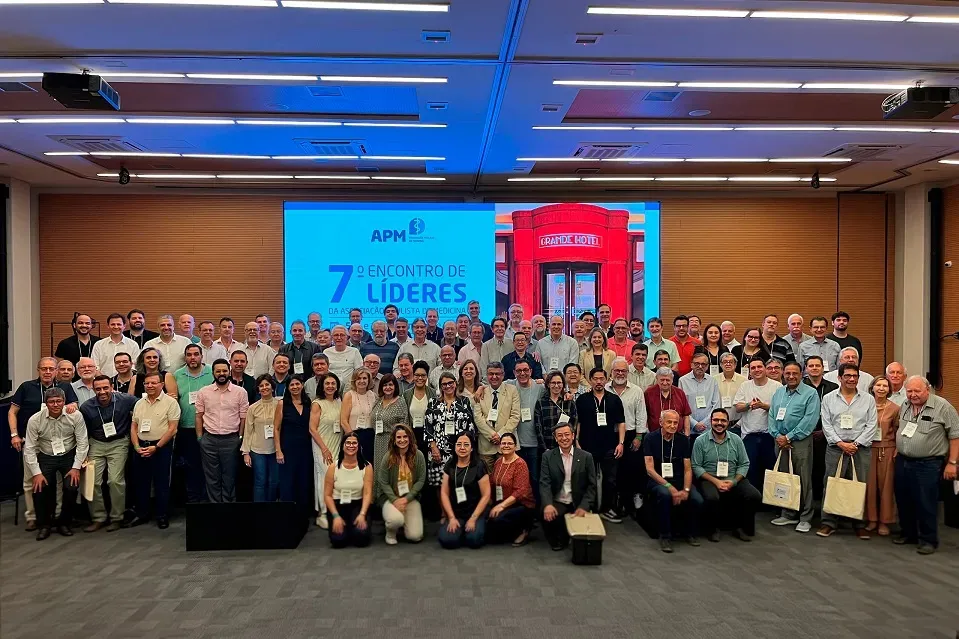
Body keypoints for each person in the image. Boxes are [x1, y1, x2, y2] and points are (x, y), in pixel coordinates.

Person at [9, 358, 80, 531]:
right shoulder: (27, 387)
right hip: (32, 439)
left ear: (56, 370)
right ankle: (32, 516)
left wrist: (72, 407)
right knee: (30, 479)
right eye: (44, 369)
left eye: (51, 369)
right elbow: (12, 412)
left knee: (57, 482)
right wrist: (14, 435)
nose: (47, 372)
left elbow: (74, 406)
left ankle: (56, 515)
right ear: (38, 370)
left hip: (57, 440)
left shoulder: (64, 387)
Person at [894, 375, 959, 555]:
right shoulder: (905, 406)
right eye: (909, 391)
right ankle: (909, 534)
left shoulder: (943, 407)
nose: (913, 395)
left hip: (928, 463)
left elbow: (955, 435)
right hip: (903, 460)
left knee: (926, 502)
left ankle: (928, 539)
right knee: (904, 500)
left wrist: (952, 463)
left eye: (917, 391)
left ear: (927, 390)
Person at [817, 363, 877, 539]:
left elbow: (872, 425)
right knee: (831, 485)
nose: (852, 379)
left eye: (855, 376)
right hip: (836, 448)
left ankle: (858, 523)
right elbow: (826, 424)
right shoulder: (828, 398)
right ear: (839, 378)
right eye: (848, 376)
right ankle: (828, 522)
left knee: (858, 485)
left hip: (860, 450)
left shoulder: (868, 399)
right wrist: (840, 443)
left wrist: (856, 444)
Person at [24, 388, 88, 539]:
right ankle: (44, 524)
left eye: (59, 401)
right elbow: (30, 448)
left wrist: (76, 467)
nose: (55, 404)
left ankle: (64, 523)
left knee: (71, 487)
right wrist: (36, 473)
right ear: (45, 403)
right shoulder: (35, 420)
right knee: (40, 487)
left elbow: (83, 443)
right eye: (51, 402)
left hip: (69, 455)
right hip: (46, 455)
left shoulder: (76, 416)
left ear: (64, 402)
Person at [767, 361, 821, 533]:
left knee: (803, 478)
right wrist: (777, 436)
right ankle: (788, 513)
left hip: (800, 442)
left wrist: (789, 436)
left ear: (801, 374)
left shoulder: (810, 394)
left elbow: (809, 420)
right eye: (788, 373)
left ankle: (805, 516)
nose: (791, 376)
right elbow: (772, 416)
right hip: (780, 442)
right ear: (783, 374)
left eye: (795, 373)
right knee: (785, 477)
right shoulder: (778, 393)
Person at [692, 408, 760, 542]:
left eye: (723, 420)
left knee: (754, 495)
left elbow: (744, 464)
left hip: (733, 478)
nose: (719, 423)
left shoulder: (736, 440)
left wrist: (734, 481)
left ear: (728, 423)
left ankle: (740, 527)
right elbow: (696, 466)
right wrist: (716, 482)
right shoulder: (700, 440)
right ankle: (713, 529)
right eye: (716, 420)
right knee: (712, 497)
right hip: (710, 478)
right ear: (711, 421)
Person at [79, 375, 137, 532]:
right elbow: (83, 431)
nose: (102, 391)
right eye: (98, 389)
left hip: (119, 442)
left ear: (112, 387)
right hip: (96, 443)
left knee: (115, 480)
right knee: (92, 481)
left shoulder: (125, 400)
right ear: (93, 389)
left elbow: (144, 405)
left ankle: (117, 518)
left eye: (105, 388)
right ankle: (98, 518)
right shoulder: (86, 407)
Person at [644, 410, 703, 552]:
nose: (672, 425)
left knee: (697, 499)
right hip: (657, 480)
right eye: (669, 422)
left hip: (678, 479)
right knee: (665, 495)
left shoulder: (683, 440)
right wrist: (669, 487)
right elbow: (649, 469)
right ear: (661, 423)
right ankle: (665, 536)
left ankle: (690, 533)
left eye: (675, 422)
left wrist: (686, 489)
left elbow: (688, 469)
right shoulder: (650, 438)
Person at [195, 359, 249, 504]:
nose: (221, 374)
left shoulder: (240, 392)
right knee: (211, 477)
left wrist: (240, 437)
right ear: (213, 373)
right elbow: (199, 416)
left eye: (224, 371)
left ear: (229, 371)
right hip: (209, 440)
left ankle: (228, 509)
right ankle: (215, 509)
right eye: (218, 371)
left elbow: (243, 417)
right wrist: (200, 438)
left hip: (231, 440)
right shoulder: (204, 392)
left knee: (229, 477)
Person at [130, 372, 180, 528]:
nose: (150, 386)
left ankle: (162, 515)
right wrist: (137, 446)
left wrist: (156, 446)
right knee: (141, 482)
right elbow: (134, 426)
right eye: (147, 383)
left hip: (161, 447)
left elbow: (172, 429)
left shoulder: (171, 403)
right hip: (141, 447)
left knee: (162, 482)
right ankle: (142, 514)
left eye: (153, 383)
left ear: (161, 384)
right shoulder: (139, 403)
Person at [424, 371, 478, 517]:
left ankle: (458, 513)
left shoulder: (464, 401)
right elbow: (428, 427)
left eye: (450, 383)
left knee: (459, 483)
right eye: (444, 384)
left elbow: (470, 426)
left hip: (459, 452)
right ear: (440, 387)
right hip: (438, 452)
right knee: (440, 485)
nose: (448, 386)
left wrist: (466, 448)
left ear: (455, 384)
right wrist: (433, 447)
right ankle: (444, 513)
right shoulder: (433, 403)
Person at [576, 367, 626, 523]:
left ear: (606, 379)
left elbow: (621, 423)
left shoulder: (614, 399)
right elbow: (578, 423)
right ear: (590, 380)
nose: (598, 382)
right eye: (595, 379)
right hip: (587, 445)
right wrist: (576, 442)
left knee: (610, 480)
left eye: (601, 379)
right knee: (587, 479)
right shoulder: (582, 399)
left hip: (609, 446)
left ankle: (606, 509)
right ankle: (588, 507)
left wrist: (621, 443)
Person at [540, 423, 598, 551]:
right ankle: (559, 538)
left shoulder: (586, 457)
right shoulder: (548, 457)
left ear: (573, 436)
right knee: (547, 516)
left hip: (578, 501)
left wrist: (584, 506)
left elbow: (592, 486)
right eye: (559, 435)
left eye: (567, 434)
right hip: (559, 501)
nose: (564, 438)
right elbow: (545, 483)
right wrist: (548, 504)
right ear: (555, 438)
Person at [734, 357, 782, 490]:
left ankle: (770, 503)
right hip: (749, 435)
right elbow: (738, 407)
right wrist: (749, 405)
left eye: (759, 367)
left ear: (765, 369)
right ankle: (754, 502)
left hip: (769, 435)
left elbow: (780, 410)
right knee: (751, 470)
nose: (757, 370)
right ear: (749, 372)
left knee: (770, 469)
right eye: (753, 368)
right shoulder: (745, 385)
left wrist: (763, 406)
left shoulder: (777, 386)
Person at [173, 343, 213, 503]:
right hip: (186, 428)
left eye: (196, 354)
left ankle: (208, 500)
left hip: (208, 427)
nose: (192, 357)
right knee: (191, 467)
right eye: (189, 355)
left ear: (201, 356)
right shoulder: (177, 374)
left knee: (208, 467)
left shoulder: (211, 372)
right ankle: (193, 502)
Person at [608, 358, 648, 514]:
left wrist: (639, 437)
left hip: (631, 434)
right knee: (613, 472)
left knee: (630, 469)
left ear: (628, 372)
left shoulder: (636, 391)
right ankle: (615, 503)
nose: (620, 373)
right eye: (617, 370)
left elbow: (641, 415)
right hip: (610, 435)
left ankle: (629, 502)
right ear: (611, 372)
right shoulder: (604, 388)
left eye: (623, 371)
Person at [438, 433, 490, 549]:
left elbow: (486, 495)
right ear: (455, 447)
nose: (462, 448)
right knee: (447, 540)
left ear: (472, 448)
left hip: (476, 512)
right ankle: (461, 531)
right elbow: (444, 493)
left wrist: (473, 518)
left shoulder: (479, 465)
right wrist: (451, 517)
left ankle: (473, 529)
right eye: (459, 444)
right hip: (456, 513)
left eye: (466, 445)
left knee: (474, 540)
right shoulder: (450, 465)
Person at [376, 424, 425, 544]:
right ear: (394, 439)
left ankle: (405, 525)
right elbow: (383, 481)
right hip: (391, 498)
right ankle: (391, 532)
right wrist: (395, 500)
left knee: (416, 536)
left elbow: (421, 480)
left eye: (405, 437)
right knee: (395, 520)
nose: (402, 440)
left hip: (410, 498)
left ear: (410, 438)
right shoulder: (388, 457)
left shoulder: (418, 456)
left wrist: (406, 499)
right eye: (398, 437)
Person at [324, 433, 373, 548]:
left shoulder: (367, 466)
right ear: (342, 446)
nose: (351, 446)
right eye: (348, 443)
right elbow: (327, 495)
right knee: (338, 541)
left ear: (359, 446)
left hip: (358, 505)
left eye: (354, 443)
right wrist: (335, 516)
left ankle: (354, 528)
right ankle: (347, 529)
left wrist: (362, 514)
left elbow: (367, 493)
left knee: (361, 539)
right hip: (338, 506)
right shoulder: (333, 467)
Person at [275, 375, 314, 521]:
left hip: (306, 449)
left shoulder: (308, 403)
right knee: (287, 482)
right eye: (292, 385)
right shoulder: (282, 404)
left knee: (304, 482)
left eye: (297, 384)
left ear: (302, 385)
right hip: (287, 449)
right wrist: (278, 450)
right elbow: (276, 428)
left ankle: (302, 515)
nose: (295, 387)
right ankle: (287, 515)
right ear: (288, 387)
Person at [865, 375, 899, 537]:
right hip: (868, 449)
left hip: (887, 449)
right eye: (878, 385)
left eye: (885, 386)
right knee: (870, 486)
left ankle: (884, 521)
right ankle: (871, 519)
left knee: (886, 487)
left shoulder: (895, 408)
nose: (881, 388)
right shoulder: (865, 405)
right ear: (872, 387)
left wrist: (897, 449)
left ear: (889, 390)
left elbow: (899, 431)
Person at [486, 433, 535, 546]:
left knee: (496, 521)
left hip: (520, 505)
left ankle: (524, 530)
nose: (506, 446)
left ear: (515, 446)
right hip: (502, 502)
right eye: (503, 443)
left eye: (510, 443)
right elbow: (492, 482)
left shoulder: (520, 464)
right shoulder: (499, 462)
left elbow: (520, 492)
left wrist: (501, 506)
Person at [507, 360, 545, 503]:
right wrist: (480, 389)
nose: (522, 373)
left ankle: (535, 510)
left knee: (534, 478)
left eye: (525, 370)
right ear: (514, 373)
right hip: (516, 443)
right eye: (518, 371)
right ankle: (519, 509)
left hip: (534, 442)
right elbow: (491, 384)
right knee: (517, 480)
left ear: (531, 371)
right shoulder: (509, 385)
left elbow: (556, 389)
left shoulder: (540, 387)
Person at [803, 355, 839, 502]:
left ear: (823, 368)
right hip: (805, 435)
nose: (814, 368)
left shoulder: (834, 388)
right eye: (811, 366)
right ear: (806, 369)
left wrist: (824, 431)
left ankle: (825, 504)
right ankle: (807, 504)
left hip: (827, 436)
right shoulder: (800, 387)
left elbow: (837, 414)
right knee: (806, 471)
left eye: (817, 365)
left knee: (826, 471)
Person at [308, 373, 342, 528]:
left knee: (335, 478)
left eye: (333, 383)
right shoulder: (317, 403)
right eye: (327, 383)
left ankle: (333, 510)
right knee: (323, 477)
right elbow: (312, 429)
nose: (330, 386)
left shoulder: (339, 401)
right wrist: (323, 449)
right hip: (322, 445)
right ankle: (322, 512)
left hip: (337, 444)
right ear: (322, 385)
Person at [475, 361, 521, 471]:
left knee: (506, 480)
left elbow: (515, 416)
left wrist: (500, 435)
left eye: (497, 374)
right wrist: (492, 435)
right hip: (486, 445)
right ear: (487, 375)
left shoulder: (512, 390)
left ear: (503, 375)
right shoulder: (480, 392)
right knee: (487, 481)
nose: (494, 377)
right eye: (491, 374)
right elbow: (477, 417)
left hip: (507, 444)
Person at [242, 375, 281, 503]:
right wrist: (246, 453)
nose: (264, 388)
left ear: (272, 387)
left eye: (267, 384)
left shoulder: (280, 405)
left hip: (275, 450)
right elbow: (248, 431)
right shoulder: (253, 408)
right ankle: (259, 512)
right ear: (258, 389)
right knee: (260, 480)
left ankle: (270, 509)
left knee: (274, 481)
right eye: (261, 386)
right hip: (257, 450)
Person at [371, 374, 410, 469]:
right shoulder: (378, 401)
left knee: (391, 468)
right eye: (385, 385)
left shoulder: (400, 402)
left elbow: (405, 424)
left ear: (395, 386)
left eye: (390, 385)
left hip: (393, 442)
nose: (387, 387)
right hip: (378, 440)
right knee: (379, 468)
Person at [679, 352, 721, 438]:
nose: (700, 366)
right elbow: (681, 406)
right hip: (689, 429)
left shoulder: (712, 381)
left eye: (703, 364)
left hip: (707, 429)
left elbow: (716, 405)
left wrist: (705, 423)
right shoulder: (683, 381)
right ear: (691, 365)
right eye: (697, 364)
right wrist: (694, 424)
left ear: (707, 366)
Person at [340, 368, 377, 463]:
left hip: (370, 436)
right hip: (354, 435)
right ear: (354, 380)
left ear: (369, 380)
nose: (362, 381)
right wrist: (353, 439)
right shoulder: (349, 395)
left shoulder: (373, 395)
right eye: (358, 378)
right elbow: (343, 421)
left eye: (364, 378)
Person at [535, 371, 578, 452]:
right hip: (547, 447)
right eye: (553, 383)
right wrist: (544, 448)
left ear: (563, 384)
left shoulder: (569, 402)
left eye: (559, 383)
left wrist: (569, 445)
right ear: (548, 384)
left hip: (566, 448)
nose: (556, 385)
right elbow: (538, 428)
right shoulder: (541, 403)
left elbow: (573, 426)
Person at [91, 313, 141, 378]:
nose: (116, 327)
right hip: (104, 384)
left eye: (119, 324)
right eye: (113, 324)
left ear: (124, 326)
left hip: (127, 382)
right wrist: (105, 381)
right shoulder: (99, 345)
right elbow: (95, 367)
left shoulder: (133, 345)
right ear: (108, 326)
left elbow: (135, 366)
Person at [645, 367, 691, 435]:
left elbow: (686, 415)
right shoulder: (648, 393)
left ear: (672, 380)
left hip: (677, 435)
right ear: (657, 379)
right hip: (655, 436)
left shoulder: (680, 393)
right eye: (662, 380)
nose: (665, 383)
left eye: (668, 380)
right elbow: (644, 415)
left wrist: (687, 434)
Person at [402, 360, 436, 452]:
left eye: (423, 375)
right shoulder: (406, 395)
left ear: (427, 376)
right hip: (412, 435)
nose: (420, 378)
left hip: (429, 435)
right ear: (413, 376)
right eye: (417, 375)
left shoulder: (433, 393)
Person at [714, 353, 746, 428]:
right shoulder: (714, 380)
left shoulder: (744, 381)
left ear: (735, 364)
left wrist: (739, 423)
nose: (728, 364)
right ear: (721, 364)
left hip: (736, 424)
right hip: (717, 424)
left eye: (731, 362)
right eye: (725, 362)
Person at [478, 318, 514, 382]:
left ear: (505, 329)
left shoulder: (512, 344)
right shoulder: (486, 345)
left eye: (502, 326)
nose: (499, 328)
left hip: (509, 382)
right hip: (492, 382)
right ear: (492, 329)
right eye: (496, 326)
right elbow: (484, 367)